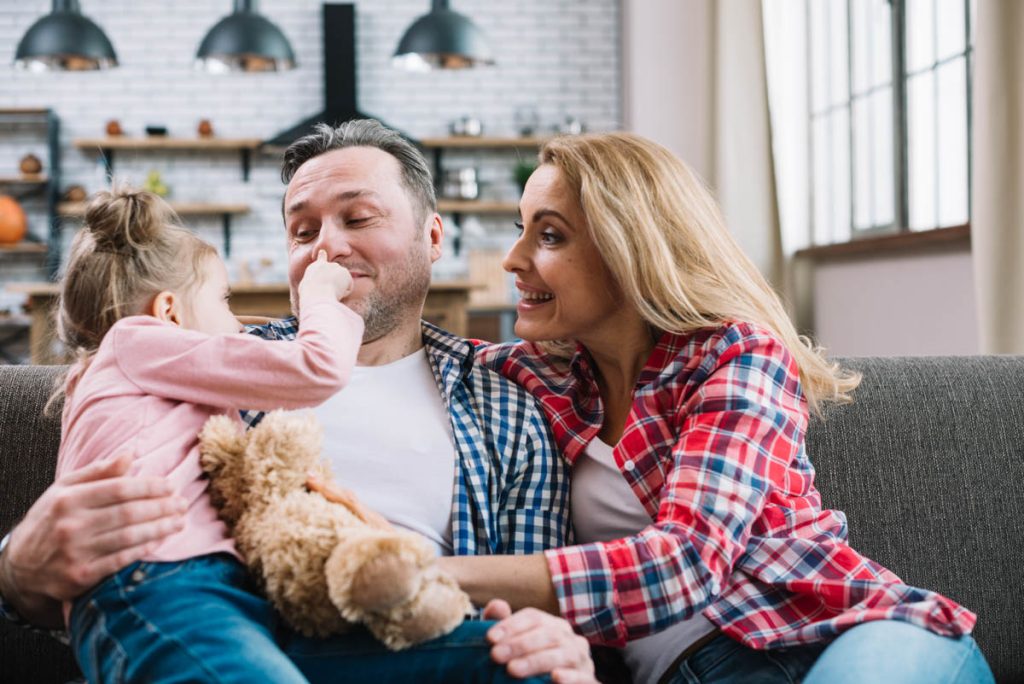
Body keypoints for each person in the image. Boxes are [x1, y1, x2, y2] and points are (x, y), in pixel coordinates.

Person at [0, 120, 594, 683]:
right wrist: (17, 570)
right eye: (302, 232)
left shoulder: (504, 405)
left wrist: (543, 635)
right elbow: (114, 528)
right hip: (231, 634)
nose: (325, 250)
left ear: (432, 237)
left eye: (358, 218)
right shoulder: (200, 363)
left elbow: (532, 592)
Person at [437, 131, 996, 684]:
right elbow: (414, 341)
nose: (512, 259)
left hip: (844, 636)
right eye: (521, 230)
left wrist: (430, 578)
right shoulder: (539, 378)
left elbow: (686, 563)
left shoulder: (737, 355)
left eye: (550, 236)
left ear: (629, 248)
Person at [51, 186, 363, 682]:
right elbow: (317, 367)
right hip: (154, 581)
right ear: (170, 312)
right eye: (223, 299)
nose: (237, 323)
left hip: (198, 586)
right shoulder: (136, 340)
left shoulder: (129, 376)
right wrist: (319, 294)